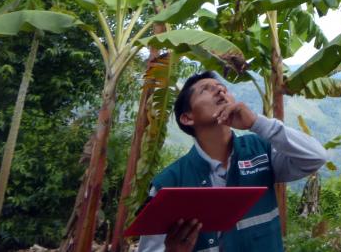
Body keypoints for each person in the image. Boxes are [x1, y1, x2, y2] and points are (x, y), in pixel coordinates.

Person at [137, 71, 327, 252]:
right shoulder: (169, 184)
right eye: (205, 89)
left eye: (222, 87)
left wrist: (256, 123)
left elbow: (315, 157)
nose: (220, 90)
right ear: (187, 118)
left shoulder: (261, 151)